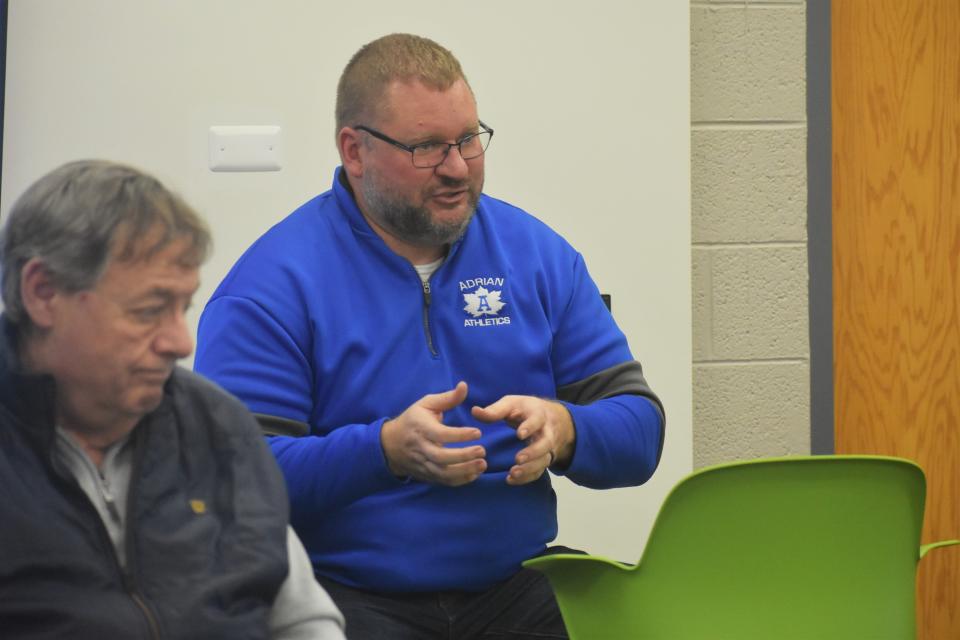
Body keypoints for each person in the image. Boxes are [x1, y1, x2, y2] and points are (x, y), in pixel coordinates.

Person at [194, 33, 665, 639]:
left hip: (514, 587)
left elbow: (640, 429)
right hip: (345, 596)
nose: (457, 168)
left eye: (469, 139)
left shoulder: (538, 257)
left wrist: (568, 429)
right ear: (354, 150)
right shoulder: (272, 286)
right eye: (426, 148)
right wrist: (383, 451)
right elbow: (235, 484)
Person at [0, 160, 346, 639]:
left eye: (182, 308)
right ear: (42, 293)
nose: (181, 343)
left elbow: (299, 617)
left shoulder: (217, 426)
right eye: (148, 310)